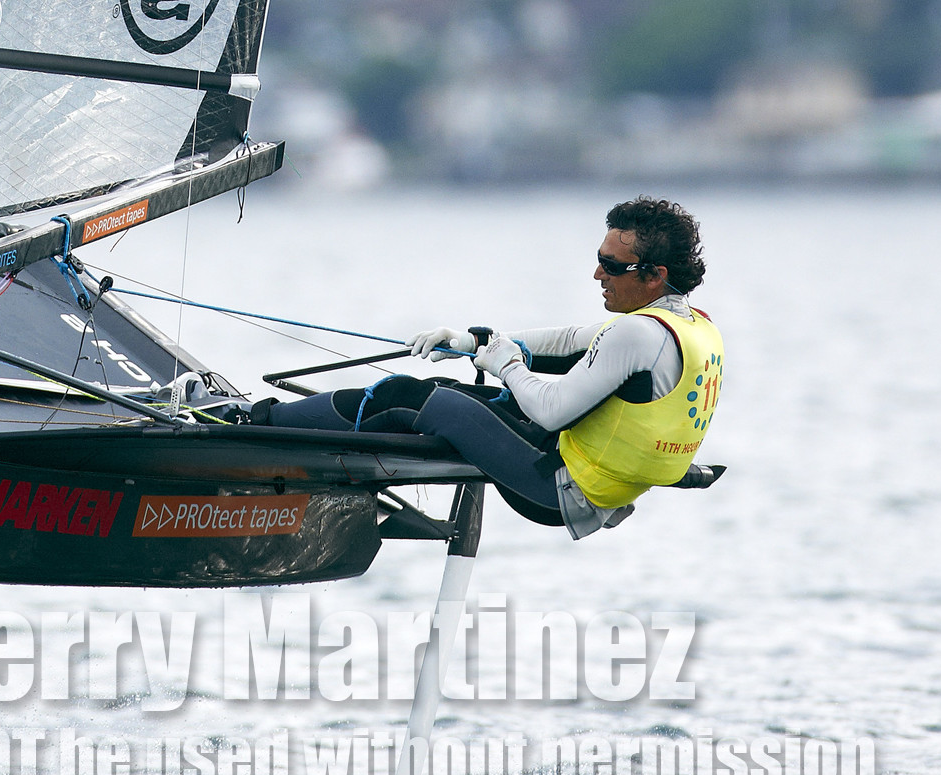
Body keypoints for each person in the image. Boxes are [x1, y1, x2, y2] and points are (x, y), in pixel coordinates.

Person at [254, 197, 723, 540]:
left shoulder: (637, 334)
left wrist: (509, 366)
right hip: (587, 478)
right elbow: (567, 343)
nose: (597, 275)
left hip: (555, 487)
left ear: (655, 274)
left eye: (610, 265)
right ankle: (282, 433)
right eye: (598, 260)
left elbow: (551, 412)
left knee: (403, 396)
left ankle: (257, 427)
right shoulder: (690, 327)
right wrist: (473, 342)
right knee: (439, 390)